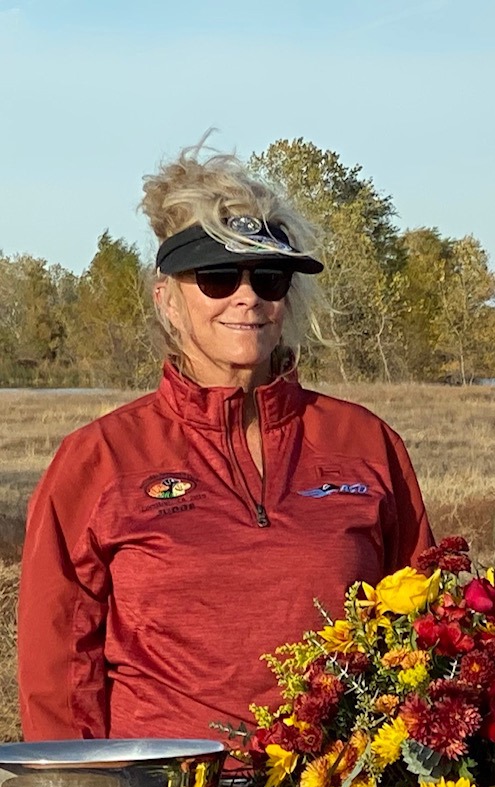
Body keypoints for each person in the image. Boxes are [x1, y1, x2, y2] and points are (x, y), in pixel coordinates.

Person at [17, 146, 433, 743]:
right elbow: (57, 668)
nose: (246, 297)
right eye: (216, 278)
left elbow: (427, 630)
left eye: (268, 277)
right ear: (167, 298)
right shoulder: (100, 460)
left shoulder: (364, 443)